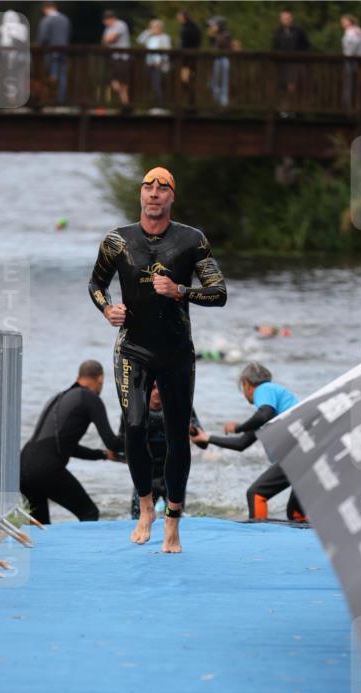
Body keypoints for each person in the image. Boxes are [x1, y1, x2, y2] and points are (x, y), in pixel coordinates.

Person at [88, 165, 227, 553]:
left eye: (162, 188)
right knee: (133, 426)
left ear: (171, 197)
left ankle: (173, 521)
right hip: (132, 346)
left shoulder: (191, 240)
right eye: (148, 187)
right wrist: (106, 310)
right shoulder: (117, 241)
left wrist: (180, 290)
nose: (154, 193)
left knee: (177, 436)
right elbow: (95, 283)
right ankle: (145, 506)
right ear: (140, 195)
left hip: (176, 351)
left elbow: (219, 292)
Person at [190, 362, 306, 522]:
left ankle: (258, 536)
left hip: (299, 453)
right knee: (296, 514)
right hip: (309, 453)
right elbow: (241, 444)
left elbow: (264, 414)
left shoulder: (265, 390)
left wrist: (238, 427)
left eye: (242, 388)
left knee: (256, 493)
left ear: (246, 384)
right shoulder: (275, 407)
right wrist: (207, 438)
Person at [19, 360, 123, 524]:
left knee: (41, 526)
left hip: (22, 466)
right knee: (89, 513)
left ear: (79, 377)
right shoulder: (89, 398)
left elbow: (67, 446)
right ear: (100, 379)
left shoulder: (60, 397)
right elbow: (112, 442)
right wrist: (135, 438)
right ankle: (87, 550)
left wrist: (102, 455)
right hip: (45, 468)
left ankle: (45, 550)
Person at [119, 384, 201, 517]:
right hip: (145, 478)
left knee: (176, 519)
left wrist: (192, 430)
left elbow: (202, 442)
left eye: (161, 387)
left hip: (174, 476)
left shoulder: (181, 406)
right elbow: (122, 445)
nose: (157, 392)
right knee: (136, 519)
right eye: (153, 388)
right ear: (145, 389)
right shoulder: (135, 411)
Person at [272, 9, 309, 114]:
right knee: (282, 87)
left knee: (292, 87)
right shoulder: (278, 32)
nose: (285, 20)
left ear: (291, 18)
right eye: (283, 18)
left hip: (295, 63)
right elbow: (274, 47)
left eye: (287, 18)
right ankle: (283, 110)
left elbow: (306, 46)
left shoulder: (298, 31)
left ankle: (293, 109)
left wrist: (301, 58)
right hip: (282, 64)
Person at [37, 2, 71, 105]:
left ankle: (51, 99)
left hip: (51, 51)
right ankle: (61, 99)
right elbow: (68, 35)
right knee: (62, 76)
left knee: (52, 75)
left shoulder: (46, 20)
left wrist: (41, 46)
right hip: (64, 51)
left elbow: (43, 38)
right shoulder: (65, 19)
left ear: (45, 9)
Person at [137, 19, 171, 109]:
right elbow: (139, 40)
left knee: (157, 84)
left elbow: (167, 51)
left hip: (159, 64)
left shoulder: (164, 37)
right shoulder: (150, 36)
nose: (155, 29)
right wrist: (148, 32)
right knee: (148, 84)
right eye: (153, 27)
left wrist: (161, 62)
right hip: (149, 63)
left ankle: (160, 105)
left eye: (156, 27)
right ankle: (149, 105)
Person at [101, 8, 131, 108]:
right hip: (113, 57)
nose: (105, 22)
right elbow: (104, 41)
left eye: (105, 20)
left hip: (123, 57)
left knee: (123, 82)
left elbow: (112, 39)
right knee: (115, 81)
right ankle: (123, 103)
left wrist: (108, 39)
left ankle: (124, 104)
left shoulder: (120, 24)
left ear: (111, 19)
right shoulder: (108, 28)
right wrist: (107, 39)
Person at [340, 14, 361, 108]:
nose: (342, 23)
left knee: (350, 83)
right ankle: (353, 105)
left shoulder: (352, 32)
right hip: (358, 60)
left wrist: (349, 55)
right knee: (355, 83)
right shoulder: (357, 31)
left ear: (350, 22)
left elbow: (356, 43)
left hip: (352, 61)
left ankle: (349, 105)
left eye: (344, 21)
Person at [176, 9, 201, 106]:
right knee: (189, 80)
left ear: (183, 17)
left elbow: (184, 44)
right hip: (191, 58)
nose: (178, 20)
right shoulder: (194, 27)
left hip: (187, 59)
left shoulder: (187, 29)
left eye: (179, 17)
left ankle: (190, 103)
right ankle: (190, 103)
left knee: (186, 81)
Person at [207, 16, 232, 108]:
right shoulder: (218, 35)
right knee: (214, 83)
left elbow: (217, 47)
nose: (212, 27)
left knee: (223, 83)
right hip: (217, 60)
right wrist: (212, 37)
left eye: (214, 25)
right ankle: (219, 103)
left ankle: (223, 104)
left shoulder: (226, 34)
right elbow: (213, 47)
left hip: (223, 60)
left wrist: (213, 36)